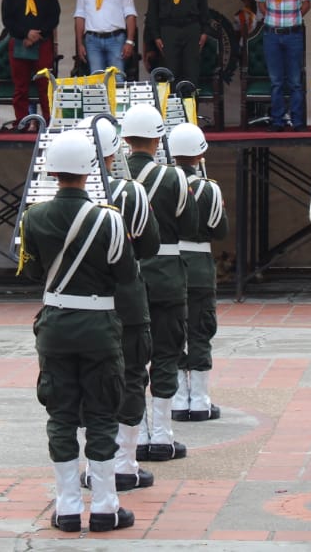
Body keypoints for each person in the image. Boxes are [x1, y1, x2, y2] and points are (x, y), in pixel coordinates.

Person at [17, 130, 137, 533]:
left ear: (52, 171)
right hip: (99, 325)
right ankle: (104, 505)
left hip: (55, 325)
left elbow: (32, 272)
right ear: (90, 170)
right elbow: (127, 275)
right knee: (102, 413)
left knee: (61, 415)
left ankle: (67, 506)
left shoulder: (33, 217)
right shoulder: (110, 218)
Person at [83, 117, 159, 493]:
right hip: (125, 300)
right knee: (131, 377)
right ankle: (124, 464)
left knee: (85, 381)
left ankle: (92, 466)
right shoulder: (130, 192)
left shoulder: (48, 199)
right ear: (114, 151)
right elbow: (148, 246)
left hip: (79, 303)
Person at [122, 103, 198, 462]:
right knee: (167, 353)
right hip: (167, 274)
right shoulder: (174, 178)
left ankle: (134, 437)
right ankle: (163, 435)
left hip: (129, 277)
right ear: (158, 140)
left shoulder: (115, 183)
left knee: (131, 358)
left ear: (125, 139)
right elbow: (191, 227)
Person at [167, 122, 228, 424]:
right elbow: (220, 231)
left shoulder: (164, 185)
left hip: (171, 266)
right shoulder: (209, 188)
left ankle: (179, 400)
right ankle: (200, 401)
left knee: (174, 332)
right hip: (201, 268)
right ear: (200, 154)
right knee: (201, 331)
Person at [253, 0, 311, 132]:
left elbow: (307, 3)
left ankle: (297, 122)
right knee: (276, 81)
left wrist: (294, 18)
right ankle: (277, 121)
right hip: (272, 34)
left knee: (295, 81)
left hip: (293, 33)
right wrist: (272, 18)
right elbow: (261, 3)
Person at [0, 0, 60, 127]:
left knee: (45, 84)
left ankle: (49, 121)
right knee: (20, 87)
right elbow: (7, 20)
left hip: (42, 43)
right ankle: (22, 122)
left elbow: (54, 18)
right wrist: (26, 34)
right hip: (19, 43)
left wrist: (37, 35)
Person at [74, 0, 137, 82]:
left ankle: (117, 97)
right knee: (96, 80)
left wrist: (130, 41)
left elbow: (130, 14)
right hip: (92, 40)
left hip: (116, 39)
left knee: (117, 79)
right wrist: (79, 43)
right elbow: (80, 16)